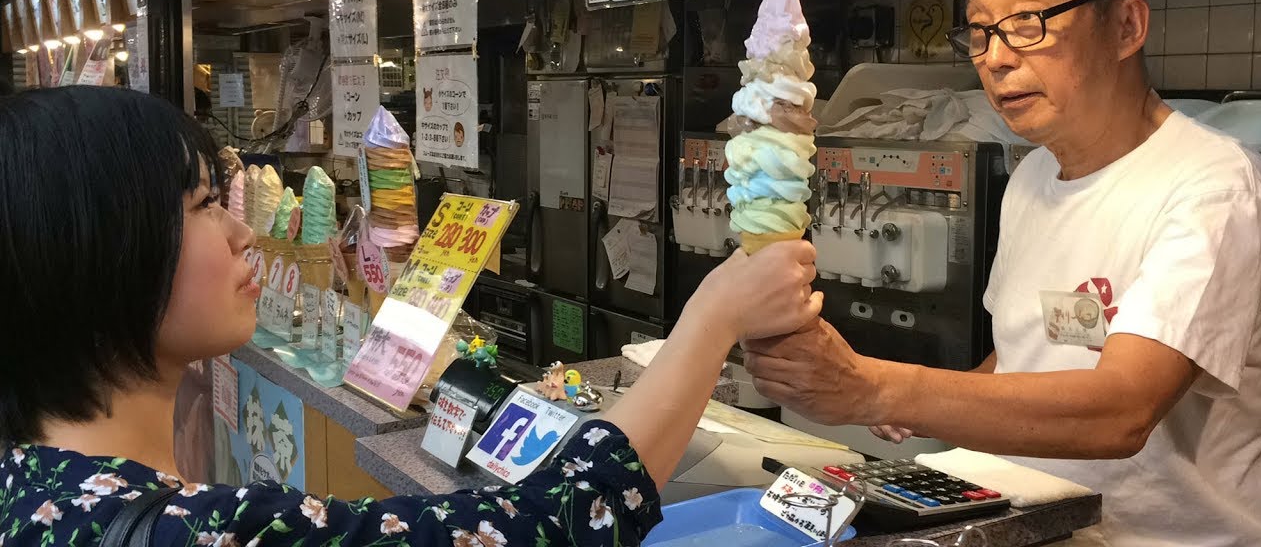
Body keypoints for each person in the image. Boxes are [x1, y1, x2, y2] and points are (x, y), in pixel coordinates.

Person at [0, 86, 823, 547]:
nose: (242, 231)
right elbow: (551, 525)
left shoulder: (34, 489)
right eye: (205, 205)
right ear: (100, 256)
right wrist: (714, 315)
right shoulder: (198, 534)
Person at [741, 0, 1261, 546]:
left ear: (1126, 26)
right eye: (980, 31)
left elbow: (1123, 410)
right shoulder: (1033, 175)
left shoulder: (1215, 187)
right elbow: (1021, 357)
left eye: (1029, 22)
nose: (995, 58)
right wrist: (908, 406)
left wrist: (874, 388)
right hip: (1032, 526)